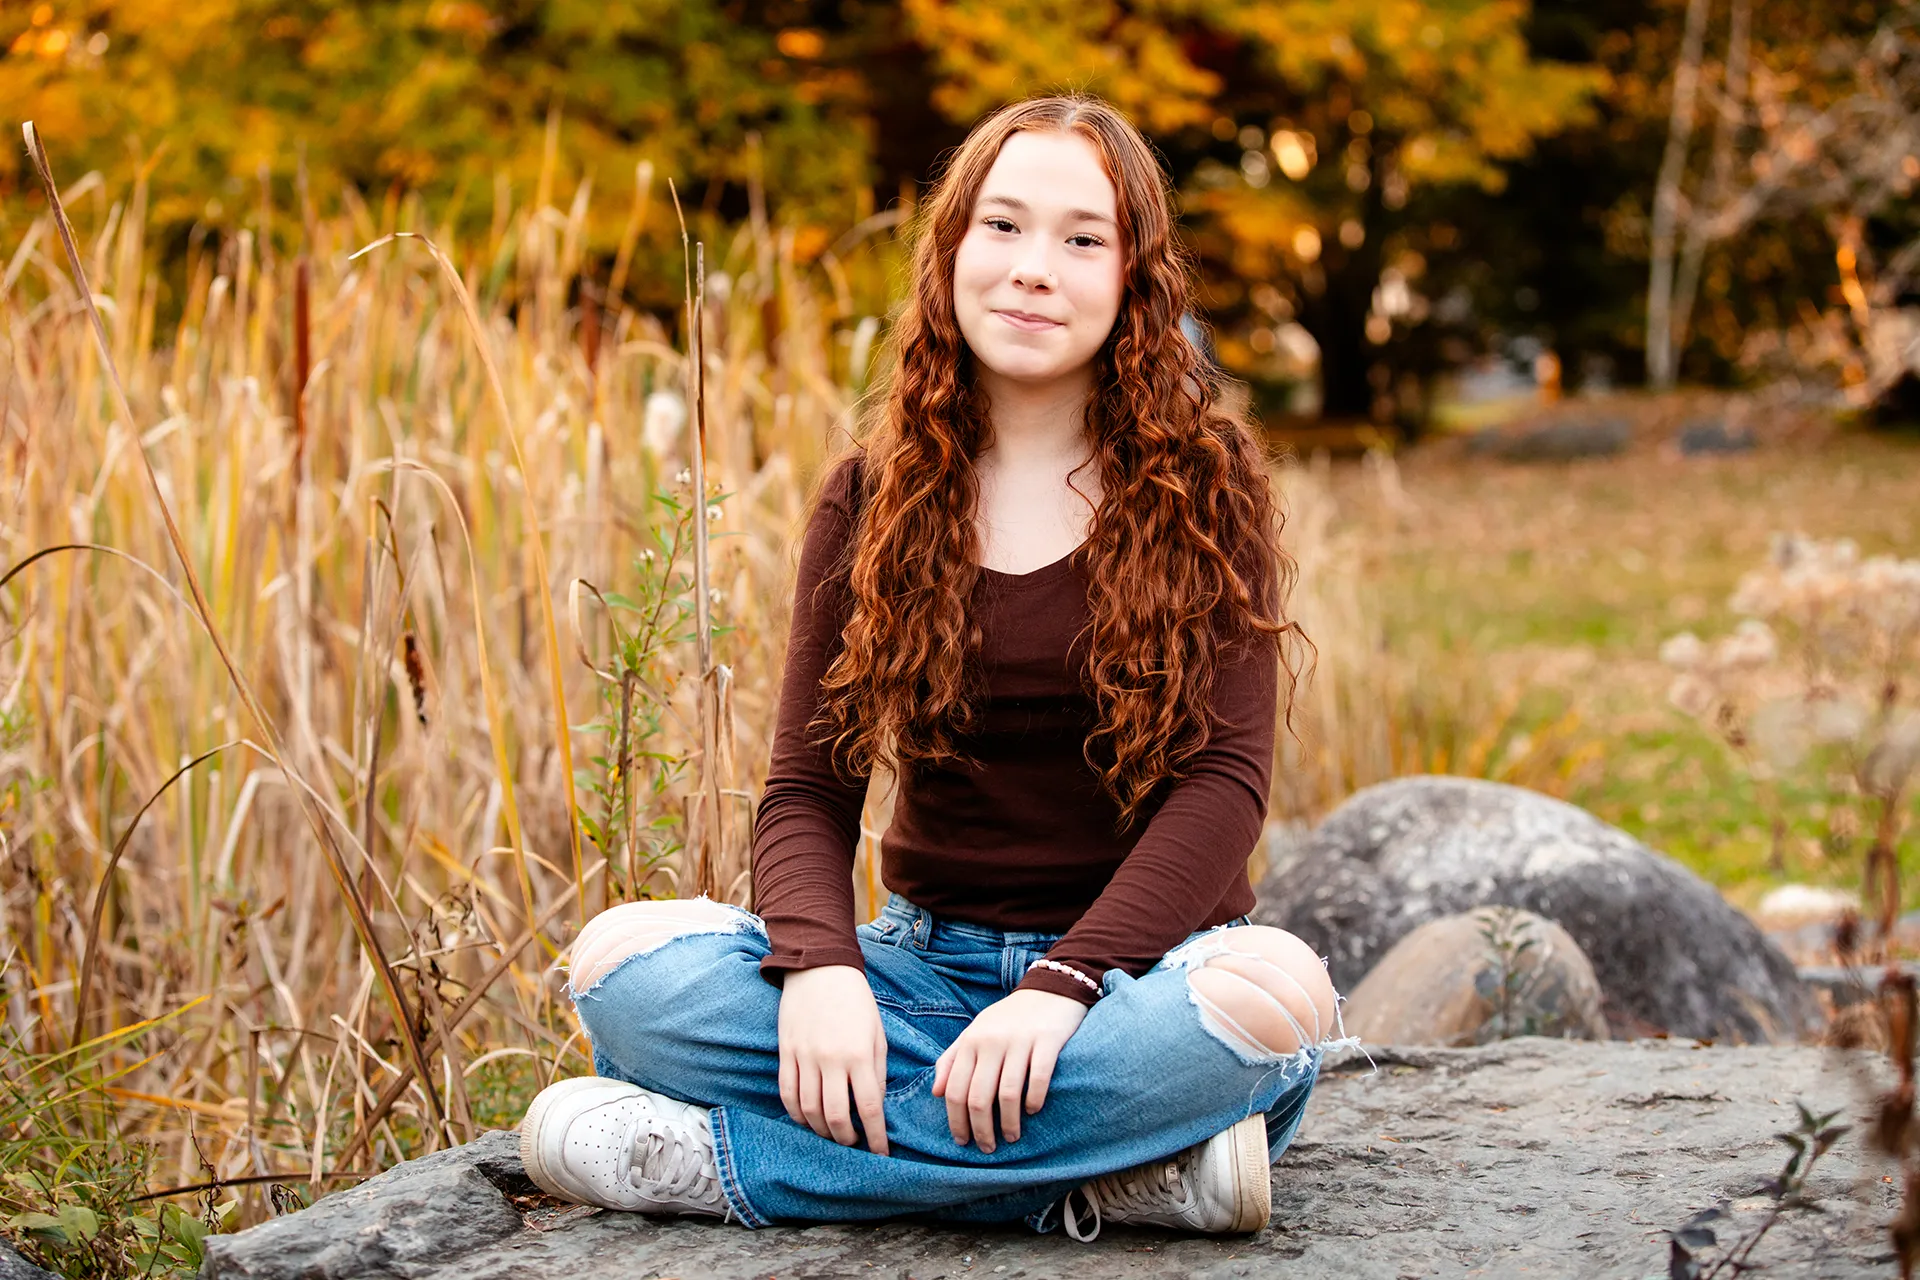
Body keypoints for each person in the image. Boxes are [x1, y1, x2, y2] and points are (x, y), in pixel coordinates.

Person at [517, 94, 1351, 1242]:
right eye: (1002, 227)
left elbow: (1224, 786)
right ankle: (1114, 1173)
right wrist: (819, 969)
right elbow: (808, 788)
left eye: (1081, 239)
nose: (1033, 270)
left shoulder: (1205, 488)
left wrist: (1065, 987)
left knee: (1273, 996)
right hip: (919, 972)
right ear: (953, 248)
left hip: (1140, 979)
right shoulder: (872, 495)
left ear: (1133, 279)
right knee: (622, 971)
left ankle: (730, 1164)